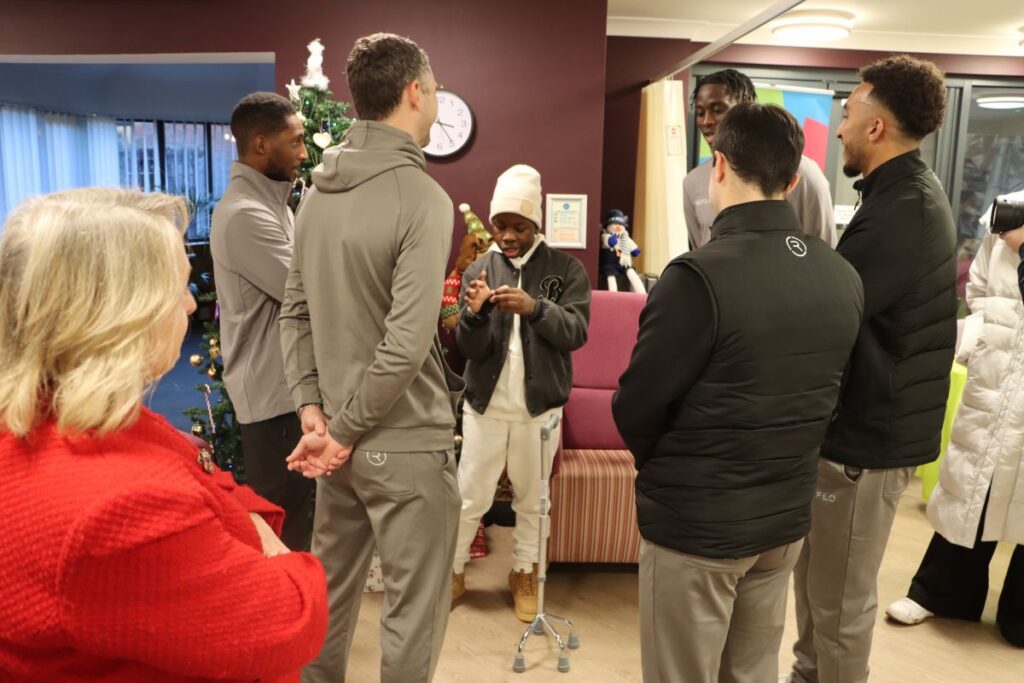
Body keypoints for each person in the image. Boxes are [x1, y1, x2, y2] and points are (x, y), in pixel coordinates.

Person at [0, 188, 327, 682]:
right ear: (119, 312)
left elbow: (212, 484)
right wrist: (267, 549)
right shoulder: (115, 507)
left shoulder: (76, 417)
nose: (193, 306)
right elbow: (292, 617)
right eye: (178, 288)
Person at [613, 103, 863, 683]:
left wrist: (669, 468)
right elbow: (835, 391)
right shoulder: (840, 273)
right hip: (782, 522)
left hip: (698, 523)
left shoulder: (696, 276)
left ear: (718, 165)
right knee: (752, 672)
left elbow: (636, 407)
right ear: (794, 179)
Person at [279, 33, 463, 683]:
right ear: (414, 92)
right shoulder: (423, 199)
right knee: (413, 615)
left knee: (326, 602)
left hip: (337, 439)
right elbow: (407, 342)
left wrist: (315, 415)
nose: (436, 96)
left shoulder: (315, 193)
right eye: (435, 86)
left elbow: (293, 312)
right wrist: (344, 431)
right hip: (403, 443)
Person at [783, 55, 958, 683]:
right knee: (815, 589)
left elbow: (833, 316)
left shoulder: (901, 209)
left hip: (866, 442)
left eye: (850, 112)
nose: (840, 128)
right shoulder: (900, 196)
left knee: (836, 604)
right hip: (858, 434)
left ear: (877, 127)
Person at [451, 164, 590, 622]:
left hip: (539, 410)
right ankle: (452, 570)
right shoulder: (479, 267)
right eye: (501, 225)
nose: (508, 236)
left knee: (534, 500)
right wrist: (472, 317)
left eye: (519, 226)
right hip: (485, 407)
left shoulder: (565, 269)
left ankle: (525, 571)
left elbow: (576, 331)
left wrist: (535, 309)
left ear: (537, 225)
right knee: (471, 496)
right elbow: (470, 349)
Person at [885, 213, 1024, 648]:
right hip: (996, 374)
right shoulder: (1009, 217)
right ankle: (942, 595)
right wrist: (986, 338)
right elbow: (978, 288)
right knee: (972, 483)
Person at [211, 91, 314, 551]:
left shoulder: (275, 206)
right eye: (294, 142)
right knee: (287, 527)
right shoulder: (245, 216)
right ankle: (286, 619)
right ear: (259, 144)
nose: (304, 153)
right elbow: (307, 292)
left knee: (305, 518)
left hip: (288, 389)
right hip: (272, 399)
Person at [683, 68, 837, 250]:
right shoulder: (693, 182)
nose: (706, 121)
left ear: (747, 108)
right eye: (700, 113)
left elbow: (823, 247)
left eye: (718, 110)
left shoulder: (801, 171)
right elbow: (698, 247)